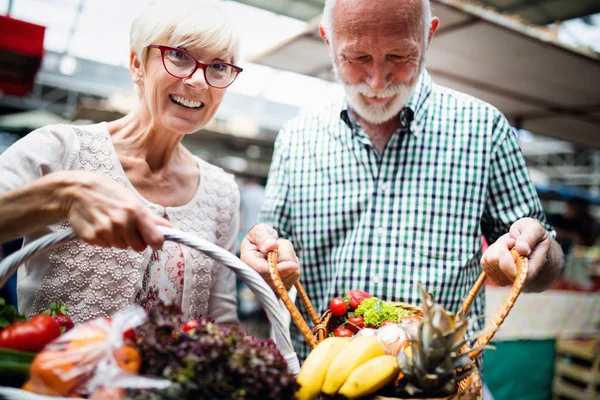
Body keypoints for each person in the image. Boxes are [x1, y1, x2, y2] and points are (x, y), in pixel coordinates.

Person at [240, 0, 564, 361]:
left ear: (428, 36)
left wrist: (539, 255)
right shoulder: (296, 138)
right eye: (357, 58)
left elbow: (544, 265)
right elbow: (269, 261)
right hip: (320, 377)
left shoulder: (484, 130)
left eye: (399, 56)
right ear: (327, 40)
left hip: (439, 387)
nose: (378, 81)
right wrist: (263, 264)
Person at [0, 0, 243, 325]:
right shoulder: (61, 149)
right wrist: (59, 197)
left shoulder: (222, 193)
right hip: (54, 373)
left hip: (171, 378)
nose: (198, 81)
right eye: (180, 56)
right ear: (137, 65)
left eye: (218, 66)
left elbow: (221, 321)